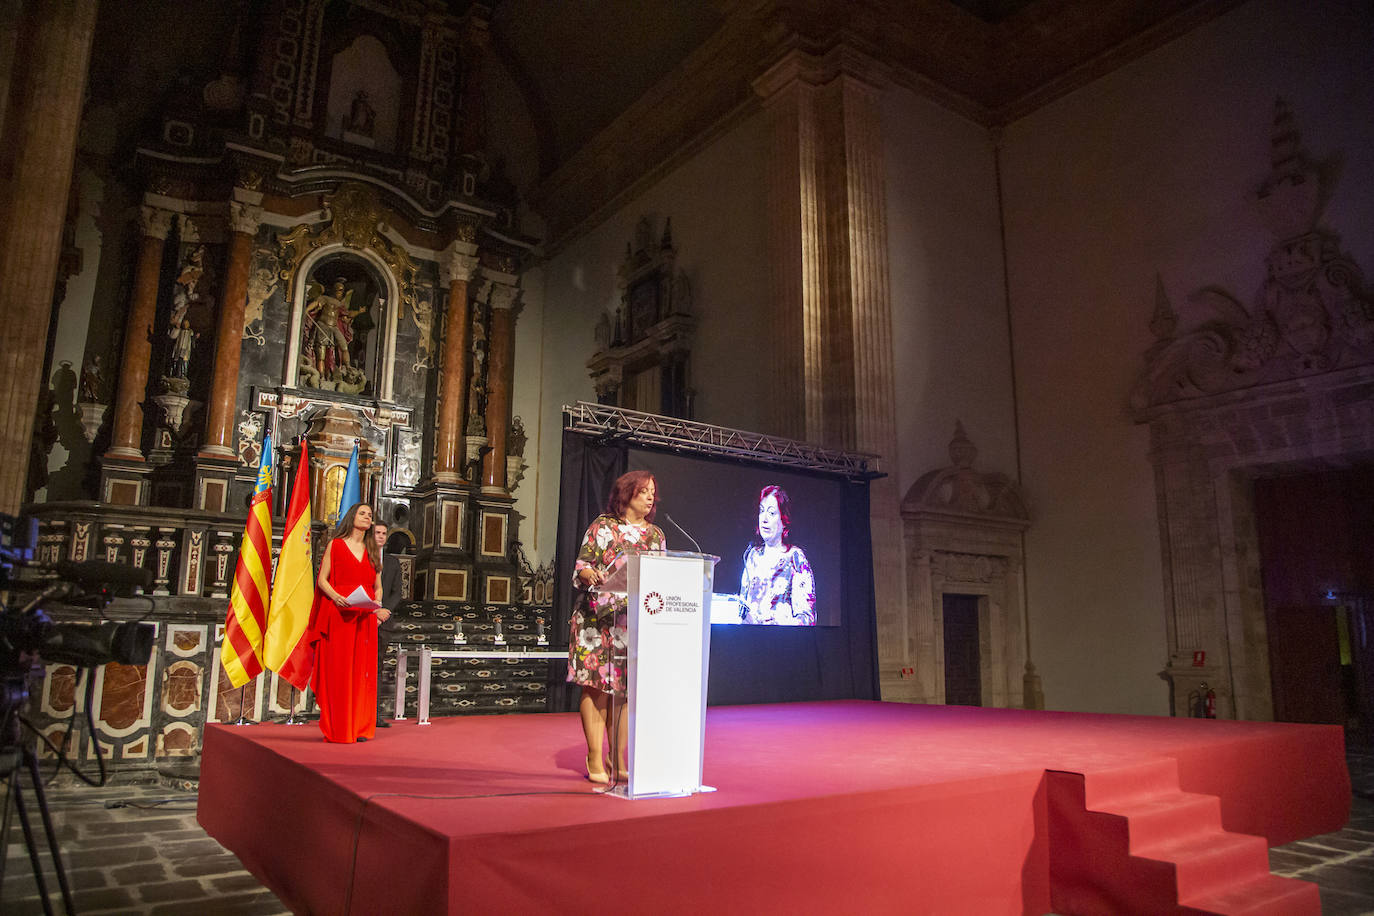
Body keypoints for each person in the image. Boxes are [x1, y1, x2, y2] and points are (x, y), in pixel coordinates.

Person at [569, 470, 665, 783]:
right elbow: (583, 566)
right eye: (644, 491)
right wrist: (589, 575)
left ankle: (617, 756)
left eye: (653, 492)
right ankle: (595, 755)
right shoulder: (603, 526)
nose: (650, 497)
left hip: (632, 623)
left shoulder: (656, 536)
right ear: (627, 494)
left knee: (623, 694)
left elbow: (660, 578)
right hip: (596, 622)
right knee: (596, 688)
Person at [308, 503, 392, 743]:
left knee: (361, 672)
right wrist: (335, 596)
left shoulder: (372, 548)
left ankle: (360, 727)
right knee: (340, 671)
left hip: (364, 617)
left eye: (369, 515)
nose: (367, 517)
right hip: (339, 614)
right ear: (352, 517)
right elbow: (322, 579)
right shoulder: (336, 545)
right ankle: (339, 726)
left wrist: (376, 604)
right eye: (362, 513)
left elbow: (378, 585)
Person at [739, 485, 816, 626]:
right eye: (761, 512)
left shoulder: (795, 557)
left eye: (772, 513)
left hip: (782, 642)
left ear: (784, 520)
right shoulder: (752, 556)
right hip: (750, 639)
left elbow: (808, 618)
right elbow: (743, 606)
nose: (764, 519)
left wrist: (780, 623)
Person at [372, 522, 404, 727]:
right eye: (377, 533)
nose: (381, 536)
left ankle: (373, 715)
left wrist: (383, 613)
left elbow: (396, 593)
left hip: (383, 622)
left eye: (384, 533)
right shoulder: (362, 557)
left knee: (377, 667)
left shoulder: (392, 563)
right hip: (362, 617)